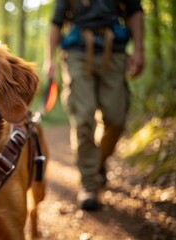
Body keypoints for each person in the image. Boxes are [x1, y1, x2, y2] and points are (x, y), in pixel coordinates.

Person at [43, 0, 144, 211]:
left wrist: (139, 50)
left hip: (114, 51)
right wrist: (49, 59)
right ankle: (89, 183)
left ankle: (96, 163)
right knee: (84, 118)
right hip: (77, 53)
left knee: (116, 118)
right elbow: (55, 23)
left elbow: (134, 11)